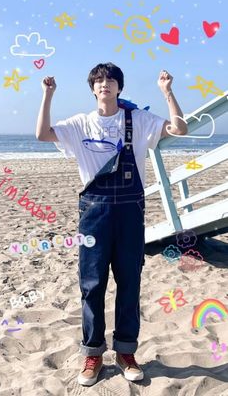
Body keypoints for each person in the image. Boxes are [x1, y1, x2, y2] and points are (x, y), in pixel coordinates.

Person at [36, 63, 187, 386]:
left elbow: (179, 129)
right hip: (93, 213)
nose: (105, 84)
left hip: (130, 212)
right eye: (99, 80)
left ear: (119, 87)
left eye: (111, 80)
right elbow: (42, 134)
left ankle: (125, 352)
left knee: (129, 281)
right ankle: (93, 353)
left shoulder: (138, 120)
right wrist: (48, 96)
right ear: (93, 88)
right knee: (92, 285)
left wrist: (167, 92)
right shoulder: (81, 123)